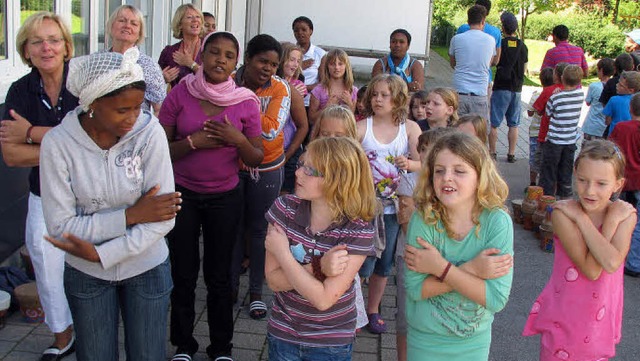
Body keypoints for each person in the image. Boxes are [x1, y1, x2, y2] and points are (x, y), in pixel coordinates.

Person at [40, 47, 181, 361]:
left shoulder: (150, 134)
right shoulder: (58, 144)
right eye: (122, 110)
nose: (133, 117)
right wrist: (131, 215)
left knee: (148, 355)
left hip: (147, 267)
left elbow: (163, 216)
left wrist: (102, 252)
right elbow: (61, 226)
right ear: (92, 104)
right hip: (85, 273)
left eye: (137, 107)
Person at [159, 32, 264, 361]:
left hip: (225, 197)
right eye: (214, 52)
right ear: (201, 57)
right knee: (184, 273)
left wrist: (237, 138)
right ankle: (183, 345)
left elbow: (257, 157)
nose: (220, 59)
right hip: (183, 195)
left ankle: (221, 348)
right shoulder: (180, 93)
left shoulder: (245, 101)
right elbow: (160, 150)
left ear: (236, 63)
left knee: (220, 277)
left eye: (229, 55)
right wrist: (193, 143)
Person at [0, 12, 77, 361]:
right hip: (43, 196)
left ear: (66, 47)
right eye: (37, 41)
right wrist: (69, 146)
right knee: (47, 270)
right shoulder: (19, 91)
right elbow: (13, 156)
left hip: (89, 195)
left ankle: (96, 327)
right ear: (26, 51)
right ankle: (63, 336)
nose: (46, 47)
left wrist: (32, 135)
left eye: (54, 40)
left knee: (94, 267)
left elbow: (96, 139)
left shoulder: (83, 83)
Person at [404, 131, 514, 361]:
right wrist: (472, 270)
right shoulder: (424, 219)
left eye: (460, 171)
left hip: (473, 342)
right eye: (439, 171)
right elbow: (416, 290)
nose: (447, 178)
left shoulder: (497, 222)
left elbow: (495, 299)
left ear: (480, 176)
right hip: (426, 339)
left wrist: (440, 268)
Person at [264, 137, 376, 361]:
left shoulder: (357, 229)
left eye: (310, 170)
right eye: (301, 165)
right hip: (284, 332)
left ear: (339, 181)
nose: (298, 174)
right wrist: (319, 267)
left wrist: (284, 254)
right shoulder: (283, 209)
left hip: (330, 341)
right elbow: (274, 282)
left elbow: (323, 300)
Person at [523, 140, 636, 361]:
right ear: (574, 173)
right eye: (583, 180)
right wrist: (600, 221)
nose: (589, 190)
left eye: (601, 183)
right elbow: (591, 270)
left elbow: (611, 262)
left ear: (618, 184)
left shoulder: (624, 215)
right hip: (564, 322)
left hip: (600, 325)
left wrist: (595, 219)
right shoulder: (563, 214)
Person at [230, 34, 291, 320]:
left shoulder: (281, 88)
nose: (268, 69)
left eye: (274, 64)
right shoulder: (227, 81)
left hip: (266, 168)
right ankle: (228, 287)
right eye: (262, 61)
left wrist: (242, 101)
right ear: (248, 59)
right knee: (231, 229)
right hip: (230, 166)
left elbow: (269, 130)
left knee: (258, 231)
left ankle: (256, 293)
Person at [356, 74, 421, 334]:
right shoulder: (362, 127)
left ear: (398, 99)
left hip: (394, 209)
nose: (378, 99)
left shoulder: (410, 129)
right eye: (375, 94)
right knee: (360, 262)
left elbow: (425, 162)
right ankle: (354, 309)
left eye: (385, 95)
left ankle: (372, 309)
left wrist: (410, 164)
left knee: (383, 264)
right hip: (363, 208)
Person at [395, 127, 453, 361]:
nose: (428, 158)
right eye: (424, 152)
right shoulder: (409, 182)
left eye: (434, 152)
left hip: (445, 260)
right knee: (406, 316)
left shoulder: (451, 186)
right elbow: (408, 226)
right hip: (409, 257)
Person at [106, 5, 166, 115]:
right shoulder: (98, 60)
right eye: (122, 20)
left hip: (137, 129)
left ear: (139, 33)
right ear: (111, 26)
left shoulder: (149, 65)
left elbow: (160, 109)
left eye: (133, 23)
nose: (127, 26)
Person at [540, 65, 584, 199]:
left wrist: (555, 94)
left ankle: (547, 197)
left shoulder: (556, 97)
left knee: (549, 171)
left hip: (554, 141)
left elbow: (548, 113)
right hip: (570, 141)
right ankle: (565, 197)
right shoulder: (580, 95)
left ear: (562, 78)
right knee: (565, 170)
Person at [489, 11, 528, 163]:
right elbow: (524, 68)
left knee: (494, 122)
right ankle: (511, 154)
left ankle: (493, 152)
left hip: (501, 87)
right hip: (516, 89)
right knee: (514, 123)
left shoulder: (501, 44)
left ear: (503, 28)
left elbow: (495, 62)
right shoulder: (523, 46)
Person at [609, 94, 640, 278]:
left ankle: (610, 249)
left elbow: (611, 149)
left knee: (613, 215)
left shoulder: (621, 127)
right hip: (638, 180)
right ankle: (634, 262)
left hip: (620, 179)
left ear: (630, 109)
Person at [449, 5, 498, 119]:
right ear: (483, 21)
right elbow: (489, 63)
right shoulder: (491, 40)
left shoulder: (457, 39)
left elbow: (453, 63)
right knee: (478, 133)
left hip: (459, 92)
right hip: (480, 93)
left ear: (468, 21)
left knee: (456, 132)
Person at [278, 42, 309, 194]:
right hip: (271, 144)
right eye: (291, 59)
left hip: (290, 144)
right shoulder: (270, 82)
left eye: (298, 61)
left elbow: (301, 122)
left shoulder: (298, 85)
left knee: (287, 188)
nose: (295, 64)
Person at [456, 0, 502, 90]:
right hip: (484, 81)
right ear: (487, 13)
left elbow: (455, 58)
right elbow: (496, 61)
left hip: (462, 82)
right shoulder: (495, 32)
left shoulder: (462, 29)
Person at [158, 4, 204, 88]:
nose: (195, 20)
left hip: (204, 100)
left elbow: (213, 78)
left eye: (198, 17)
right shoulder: (169, 52)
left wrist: (191, 63)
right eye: (189, 17)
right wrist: (163, 78)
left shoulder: (209, 48)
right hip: (177, 100)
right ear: (180, 25)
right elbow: (154, 82)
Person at [308, 49, 358, 124]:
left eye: (340, 64)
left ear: (346, 66)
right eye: (332, 64)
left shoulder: (353, 91)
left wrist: (350, 104)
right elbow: (311, 119)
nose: (336, 67)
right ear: (327, 66)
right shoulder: (318, 90)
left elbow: (355, 118)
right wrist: (327, 107)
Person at [526, 68, 555, 186]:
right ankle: (544, 183)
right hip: (549, 133)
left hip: (535, 133)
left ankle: (532, 183)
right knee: (546, 159)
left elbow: (529, 113)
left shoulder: (537, 95)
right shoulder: (555, 95)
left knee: (534, 158)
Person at [292, 16, 326, 107]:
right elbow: (282, 76)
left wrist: (302, 89)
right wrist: (300, 67)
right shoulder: (289, 52)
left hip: (311, 102)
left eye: (304, 30)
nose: (300, 33)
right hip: (290, 101)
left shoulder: (320, 54)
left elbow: (323, 82)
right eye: (296, 30)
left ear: (311, 31)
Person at [582, 58, 615, 141]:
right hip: (605, 126)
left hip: (592, 125)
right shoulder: (614, 86)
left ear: (601, 70)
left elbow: (588, 102)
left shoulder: (594, 86)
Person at [603, 70, 640, 135]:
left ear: (631, 90)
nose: (617, 85)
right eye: (618, 83)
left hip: (615, 135)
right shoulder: (637, 99)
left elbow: (607, 121)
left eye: (621, 85)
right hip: (633, 135)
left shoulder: (614, 100)